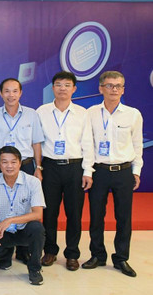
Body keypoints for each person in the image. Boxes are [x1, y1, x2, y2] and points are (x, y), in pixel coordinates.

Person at [83, 71, 143, 278]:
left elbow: (137, 145)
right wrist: (88, 171)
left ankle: (121, 258)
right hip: (99, 171)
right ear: (101, 88)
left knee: (123, 217)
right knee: (96, 216)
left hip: (123, 171)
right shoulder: (90, 113)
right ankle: (97, 255)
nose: (114, 89)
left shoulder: (133, 114)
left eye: (118, 86)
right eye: (109, 85)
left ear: (123, 90)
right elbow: (88, 145)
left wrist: (136, 171)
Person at [35, 71, 94, 271]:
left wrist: (88, 171)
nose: (62, 89)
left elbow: (88, 144)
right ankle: (50, 250)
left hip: (74, 167)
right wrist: (38, 167)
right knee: (49, 212)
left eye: (67, 85)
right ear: (53, 88)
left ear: (74, 89)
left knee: (74, 213)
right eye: (58, 85)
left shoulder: (82, 113)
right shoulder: (42, 111)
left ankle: (72, 254)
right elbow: (37, 142)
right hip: (50, 167)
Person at [0, 146, 46, 285]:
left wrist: (10, 220)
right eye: (4, 162)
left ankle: (34, 269)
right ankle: (6, 255)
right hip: (3, 232)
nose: (9, 166)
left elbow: (38, 214)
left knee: (37, 229)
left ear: (20, 163)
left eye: (13, 162)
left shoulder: (33, 182)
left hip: (24, 229)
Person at [0, 78, 44, 179]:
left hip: (26, 165)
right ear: (1, 93)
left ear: (20, 93)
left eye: (15, 91)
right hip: (1, 166)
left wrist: (38, 167)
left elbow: (36, 143)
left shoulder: (31, 114)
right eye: (7, 91)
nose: (11, 95)